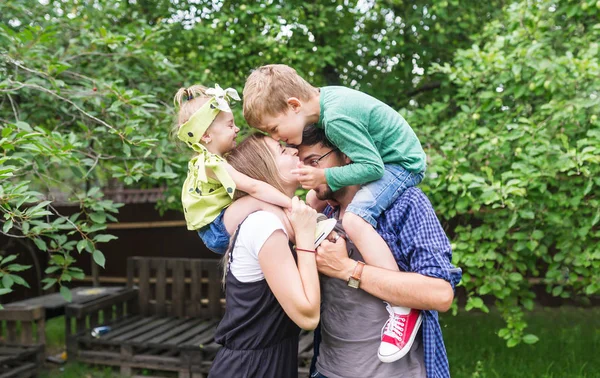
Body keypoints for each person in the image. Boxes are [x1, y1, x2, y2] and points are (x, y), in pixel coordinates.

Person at [243, 64, 427, 361]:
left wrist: (326, 178)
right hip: (386, 160)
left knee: (355, 219)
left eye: (274, 129)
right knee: (315, 198)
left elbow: (372, 168)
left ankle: (403, 310)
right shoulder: (325, 102)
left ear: (293, 105)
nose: (278, 138)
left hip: (401, 164)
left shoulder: (338, 117)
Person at [297, 126, 462, 378]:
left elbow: (439, 294)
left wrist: (347, 269)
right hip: (326, 370)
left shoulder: (405, 204)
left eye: (313, 162)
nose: (305, 174)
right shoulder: (324, 214)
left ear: (347, 156)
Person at [208, 133, 321, 378]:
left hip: (269, 362)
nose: (293, 150)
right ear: (262, 172)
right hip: (251, 369)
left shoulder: (276, 220)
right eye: (281, 150)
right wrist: (304, 236)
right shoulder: (263, 224)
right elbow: (308, 316)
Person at [173, 84, 293, 255]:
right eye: (230, 125)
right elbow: (254, 187)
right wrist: (290, 205)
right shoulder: (211, 164)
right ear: (206, 136)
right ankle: (301, 235)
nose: (237, 129)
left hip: (218, 225)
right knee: (257, 200)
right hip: (217, 229)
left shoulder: (211, 160)